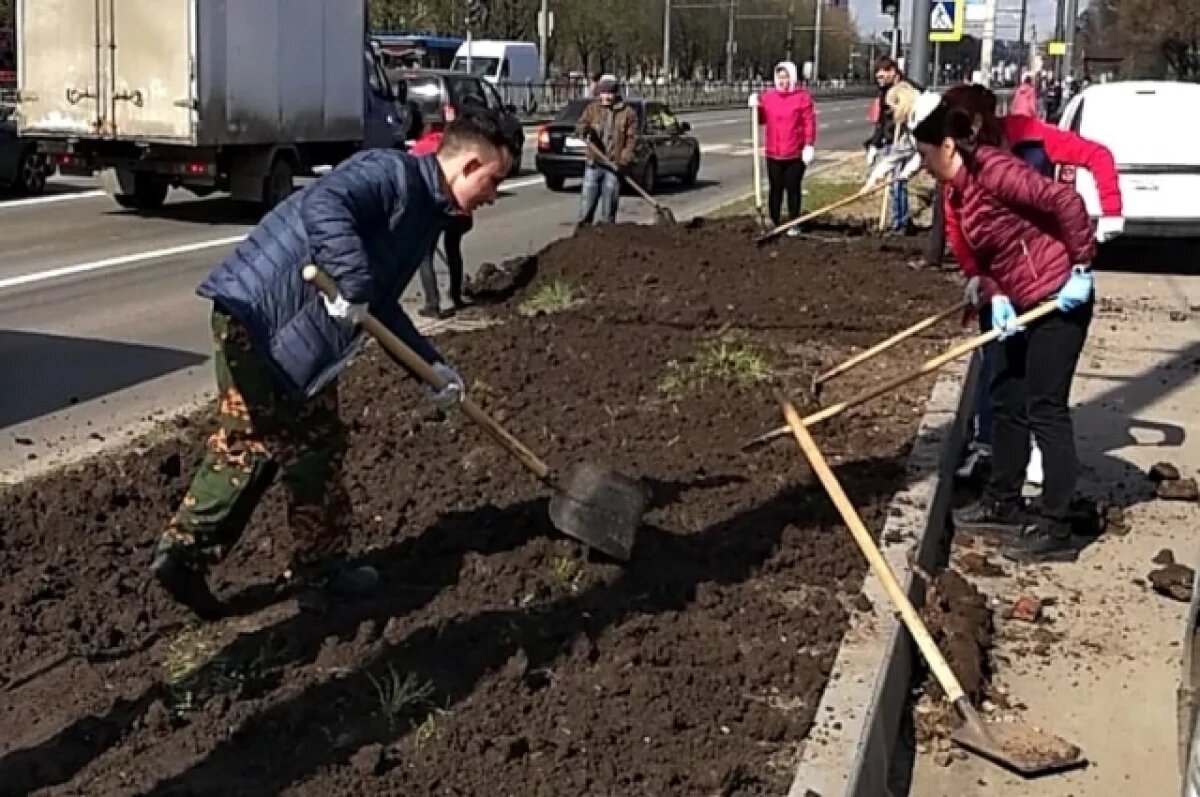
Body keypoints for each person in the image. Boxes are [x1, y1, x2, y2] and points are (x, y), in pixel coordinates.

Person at [151, 111, 514, 620]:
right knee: (269, 445)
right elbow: (326, 202)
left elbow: (380, 309)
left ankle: (292, 565)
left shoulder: (423, 213)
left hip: (292, 340)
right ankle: (206, 558)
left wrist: (434, 370)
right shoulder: (391, 173)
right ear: (469, 163)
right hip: (256, 321)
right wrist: (352, 280)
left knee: (307, 445)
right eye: (493, 180)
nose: (493, 194)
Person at [908, 92, 1097, 563]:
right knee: (1006, 394)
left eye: (926, 155)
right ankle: (1004, 500)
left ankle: (1056, 525)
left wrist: (1081, 268)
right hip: (1021, 297)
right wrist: (991, 288)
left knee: (1044, 406)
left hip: (1059, 295)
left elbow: (1065, 201)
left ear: (948, 146)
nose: (923, 166)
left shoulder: (995, 171)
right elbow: (994, 253)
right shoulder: (959, 191)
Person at [938, 83, 1124, 484]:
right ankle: (994, 457)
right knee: (1002, 380)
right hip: (1002, 280)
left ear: (974, 122)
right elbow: (959, 227)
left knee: (1041, 389)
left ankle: (1044, 468)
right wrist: (976, 276)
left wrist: (1108, 212)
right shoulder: (956, 164)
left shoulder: (1027, 137)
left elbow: (1094, 157)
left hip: (1046, 276)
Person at [410, 125, 473, 318]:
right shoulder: (456, 145)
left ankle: (433, 304)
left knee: (425, 256)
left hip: (435, 209)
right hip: (459, 209)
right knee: (453, 249)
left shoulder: (418, 149)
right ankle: (456, 296)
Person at [751, 60, 816, 234]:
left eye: (786, 77)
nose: (782, 81)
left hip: (795, 152)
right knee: (775, 187)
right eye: (779, 77)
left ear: (792, 77)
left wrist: (809, 145)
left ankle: (794, 221)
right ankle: (774, 220)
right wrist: (756, 108)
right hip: (774, 152)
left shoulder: (802, 97)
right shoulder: (769, 96)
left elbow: (809, 122)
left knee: (792, 187)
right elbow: (762, 120)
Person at [865, 56, 922, 233]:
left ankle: (901, 223)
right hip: (890, 141)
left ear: (892, 71)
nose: (879, 79)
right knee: (892, 185)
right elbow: (881, 121)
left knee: (898, 182)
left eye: (882, 75)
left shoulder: (909, 89)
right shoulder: (884, 91)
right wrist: (874, 144)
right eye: (877, 76)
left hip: (905, 142)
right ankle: (898, 219)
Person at [574, 74, 638, 228]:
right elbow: (579, 126)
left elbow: (631, 140)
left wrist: (624, 159)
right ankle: (583, 232)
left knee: (609, 204)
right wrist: (584, 130)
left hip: (613, 166)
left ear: (616, 93)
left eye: (610, 93)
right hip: (594, 163)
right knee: (587, 203)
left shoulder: (628, 113)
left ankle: (606, 233)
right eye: (604, 93)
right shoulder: (592, 109)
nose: (606, 97)